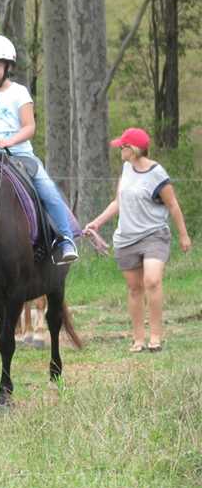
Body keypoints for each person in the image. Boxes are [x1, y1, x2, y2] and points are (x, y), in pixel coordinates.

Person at [0, 34, 79, 264]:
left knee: (47, 190)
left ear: (7, 66)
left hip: (19, 155)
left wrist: (9, 142)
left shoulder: (19, 92)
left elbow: (29, 127)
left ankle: (65, 239)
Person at [85, 127, 191, 352]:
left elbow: (172, 205)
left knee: (152, 281)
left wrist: (183, 235)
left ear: (132, 149)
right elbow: (118, 202)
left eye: (121, 146)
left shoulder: (157, 173)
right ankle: (138, 338)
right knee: (134, 288)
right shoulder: (126, 169)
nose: (119, 150)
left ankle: (155, 336)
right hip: (127, 238)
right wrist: (97, 222)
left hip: (154, 234)